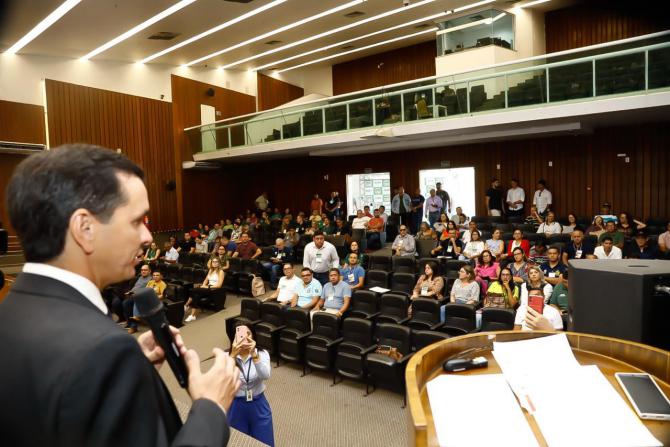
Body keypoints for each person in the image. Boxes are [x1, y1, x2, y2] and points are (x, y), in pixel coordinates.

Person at [0, 145, 239, 446]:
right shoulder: (101, 351)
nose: (148, 237)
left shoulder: (12, 311)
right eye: (137, 221)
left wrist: (126, 376)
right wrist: (211, 407)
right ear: (84, 228)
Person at [228, 324, 274, 447]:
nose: (245, 337)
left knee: (265, 442)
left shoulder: (262, 353)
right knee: (239, 442)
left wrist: (254, 354)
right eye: (241, 334)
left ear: (253, 336)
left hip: (258, 404)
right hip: (236, 406)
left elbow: (265, 375)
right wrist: (232, 356)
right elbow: (224, 380)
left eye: (248, 334)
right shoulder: (227, 357)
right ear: (234, 338)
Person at [184, 256, 224, 322]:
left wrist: (207, 287)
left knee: (194, 290)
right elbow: (206, 280)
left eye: (216, 262)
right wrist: (203, 285)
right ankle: (192, 315)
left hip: (213, 290)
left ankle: (186, 305)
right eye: (213, 262)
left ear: (219, 263)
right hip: (207, 288)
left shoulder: (221, 272)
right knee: (196, 296)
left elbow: (219, 285)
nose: (214, 263)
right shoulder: (211, 270)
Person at [116, 264, 152, 332]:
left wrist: (132, 294)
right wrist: (129, 292)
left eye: (145, 270)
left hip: (140, 296)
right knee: (117, 301)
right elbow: (135, 287)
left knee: (126, 303)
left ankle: (133, 326)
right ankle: (126, 320)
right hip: (132, 294)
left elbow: (145, 290)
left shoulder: (151, 279)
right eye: (142, 270)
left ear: (150, 271)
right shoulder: (140, 277)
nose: (143, 271)